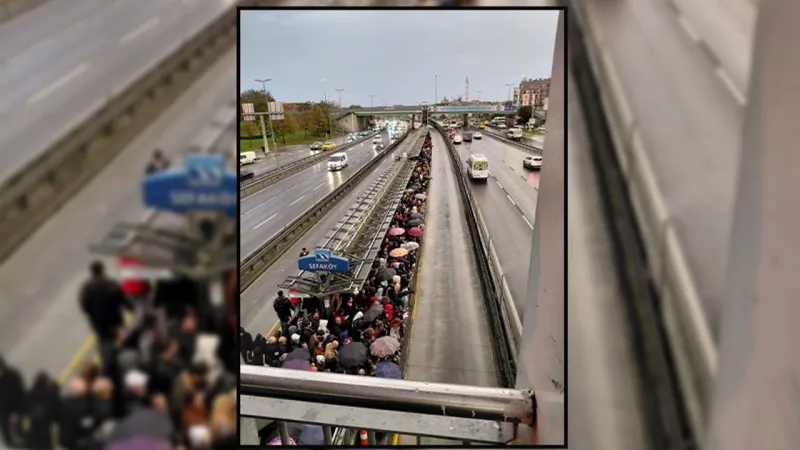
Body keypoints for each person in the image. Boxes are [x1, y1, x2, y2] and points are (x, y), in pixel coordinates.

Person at [79, 261, 131, 369]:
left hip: (100, 327)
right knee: (122, 346)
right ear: (103, 271)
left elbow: (84, 308)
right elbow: (124, 301)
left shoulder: (85, 290)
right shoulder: (111, 285)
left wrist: (94, 316)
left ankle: (108, 369)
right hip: (116, 324)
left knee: (105, 351)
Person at [0, 356, 25, 447]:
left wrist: (17, 412)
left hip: (15, 410)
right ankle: (10, 443)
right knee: (6, 434)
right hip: (3, 413)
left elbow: (20, 395)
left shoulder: (13, 377)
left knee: (20, 430)